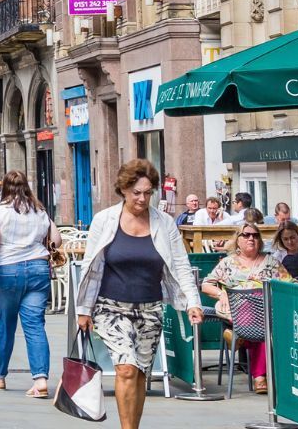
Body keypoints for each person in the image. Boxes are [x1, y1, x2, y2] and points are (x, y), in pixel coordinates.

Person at [76, 160, 203, 429]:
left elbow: (180, 263)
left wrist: (193, 302)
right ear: (123, 189)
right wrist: (84, 309)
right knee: (126, 368)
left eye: (148, 192)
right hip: (110, 307)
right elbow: (91, 266)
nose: (142, 198)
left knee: (141, 374)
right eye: (136, 192)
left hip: (150, 308)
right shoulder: (105, 220)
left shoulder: (164, 223)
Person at [0, 171, 59, 398]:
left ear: (4, 187)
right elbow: (57, 240)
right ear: (27, 187)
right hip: (38, 269)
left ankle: (0, 376)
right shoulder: (40, 210)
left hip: (7, 271)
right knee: (34, 326)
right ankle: (41, 380)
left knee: (5, 325)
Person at [201, 223, 291, 394]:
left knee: (264, 321)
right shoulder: (228, 263)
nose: (251, 238)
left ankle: (240, 337)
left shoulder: (271, 262)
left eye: (255, 235)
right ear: (238, 239)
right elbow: (206, 284)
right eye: (246, 235)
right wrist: (222, 294)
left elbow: (290, 283)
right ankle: (259, 377)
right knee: (262, 322)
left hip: (265, 311)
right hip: (236, 308)